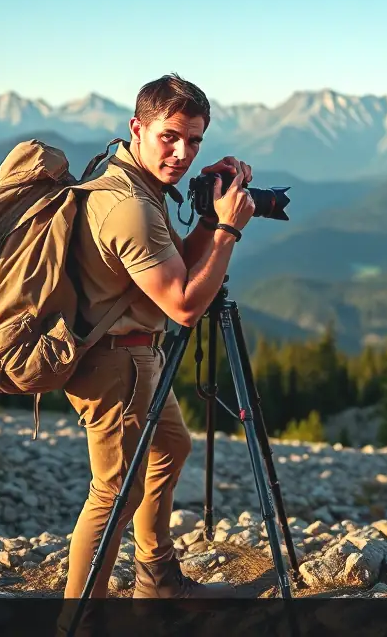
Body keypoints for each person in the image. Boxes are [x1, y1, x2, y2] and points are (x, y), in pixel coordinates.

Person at [61, 73, 255, 600]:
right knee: (115, 493)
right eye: (169, 136)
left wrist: (210, 219)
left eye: (194, 140)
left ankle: (157, 578)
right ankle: (78, 621)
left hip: (138, 355)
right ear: (137, 128)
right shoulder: (130, 205)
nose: (182, 153)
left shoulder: (141, 187)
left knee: (171, 445)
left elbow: (174, 268)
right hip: (115, 363)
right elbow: (186, 306)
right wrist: (228, 230)